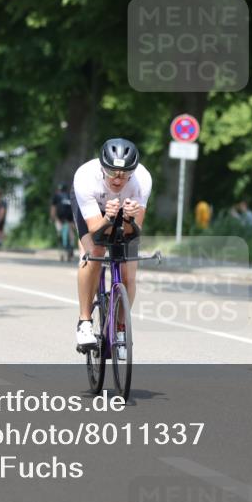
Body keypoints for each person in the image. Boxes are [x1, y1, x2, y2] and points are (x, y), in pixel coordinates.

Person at [72, 138, 152, 356]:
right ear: (102, 168)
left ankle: (119, 328)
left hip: (124, 213)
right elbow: (96, 230)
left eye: (125, 174)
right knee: (94, 252)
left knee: (129, 271)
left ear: (133, 172)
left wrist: (128, 219)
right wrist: (108, 216)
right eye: (112, 172)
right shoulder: (85, 178)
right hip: (94, 214)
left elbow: (133, 232)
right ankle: (85, 322)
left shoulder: (142, 181)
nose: (118, 179)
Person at [50, 183, 75, 258]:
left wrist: (52, 218)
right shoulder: (69, 196)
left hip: (60, 218)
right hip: (69, 218)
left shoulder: (56, 196)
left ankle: (61, 249)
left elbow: (53, 208)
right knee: (71, 233)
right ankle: (71, 245)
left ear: (59, 190)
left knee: (59, 232)